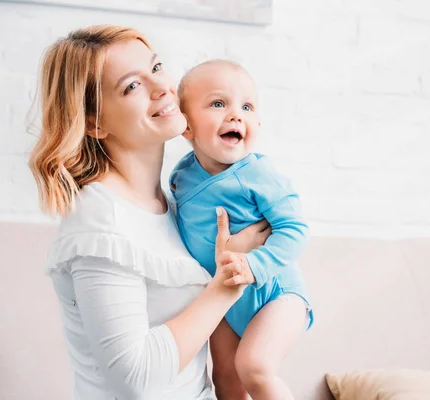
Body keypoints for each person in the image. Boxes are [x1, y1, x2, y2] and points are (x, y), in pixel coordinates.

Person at [28, 25, 271, 400]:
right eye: (131, 86)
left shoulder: (173, 203)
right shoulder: (102, 221)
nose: (162, 88)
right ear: (94, 122)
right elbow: (136, 378)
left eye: (156, 68)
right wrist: (226, 282)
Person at [169, 60, 313, 399]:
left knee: (255, 367)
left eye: (246, 106)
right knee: (226, 380)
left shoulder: (259, 174)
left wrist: (254, 265)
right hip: (223, 296)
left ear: (257, 123)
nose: (236, 115)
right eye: (219, 104)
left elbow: (295, 229)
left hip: (277, 294)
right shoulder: (181, 177)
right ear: (186, 126)